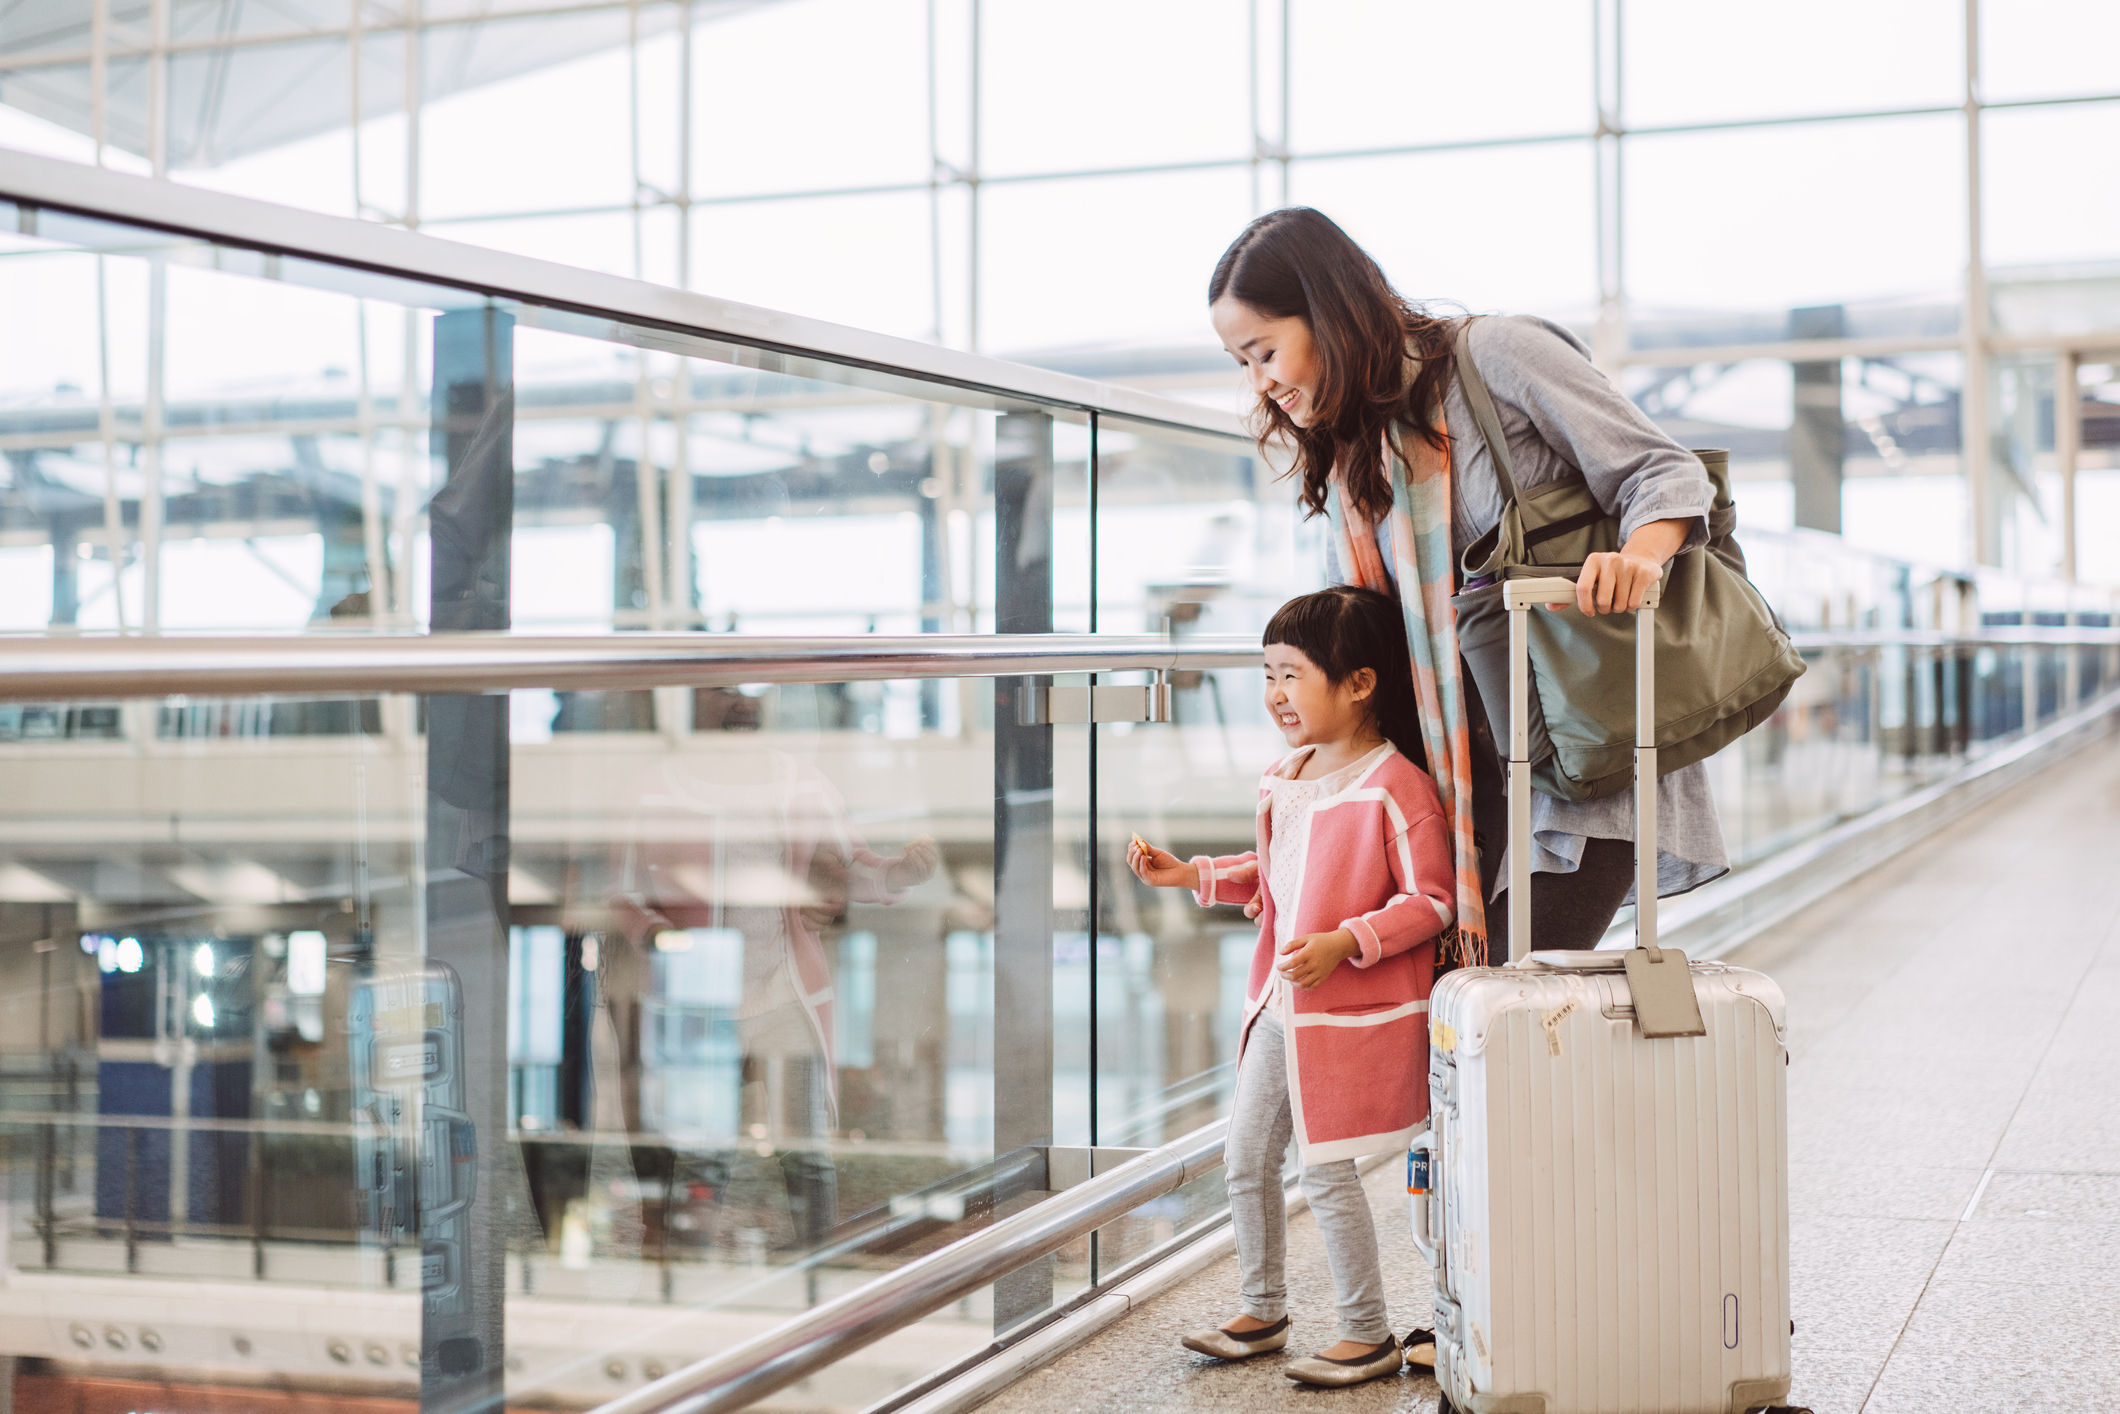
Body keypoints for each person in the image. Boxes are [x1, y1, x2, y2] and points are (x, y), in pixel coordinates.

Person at [1206, 207, 1728, 963]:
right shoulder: (1358, 452)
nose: (1260, 384)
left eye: (1264, 352)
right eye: (1241, 364)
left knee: (1506, 1016)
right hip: (1457, 787)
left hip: (1577, 763)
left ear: (1327, 314)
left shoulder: (1499, 356)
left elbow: (1664, 470)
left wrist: (1638, 560)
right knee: (1473, 1043)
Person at [1129, 586, 1453, 1389]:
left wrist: (1349, 941)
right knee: (1245, 1157)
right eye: (1267, 674)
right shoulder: (1286, 775)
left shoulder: (1395, 785)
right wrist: (1192, 875)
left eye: (1292, 675)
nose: (1275, 693)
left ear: (1360, 684)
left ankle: (1366, 1333)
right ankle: (1264, 1308)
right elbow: (1280, 877)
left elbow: (1434, 902)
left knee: (1327, 1168)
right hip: (1280, 1006)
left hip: (1344, 1015)